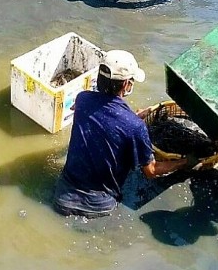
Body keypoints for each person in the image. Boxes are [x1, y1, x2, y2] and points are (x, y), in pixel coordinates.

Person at [53, 50, 197, 218]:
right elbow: (151, 171)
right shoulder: (135, 127)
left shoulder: (82, 99)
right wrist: (185, 162)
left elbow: (101, 118)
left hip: (61, 197)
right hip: (99, 207)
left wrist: (134, 117)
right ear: (126, 84)